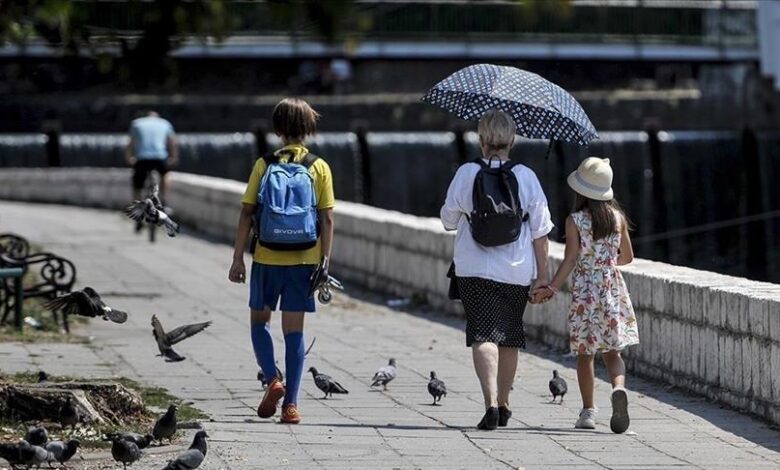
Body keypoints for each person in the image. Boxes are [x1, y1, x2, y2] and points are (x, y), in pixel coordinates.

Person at [440, 109, 554, 430]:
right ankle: (504, 403)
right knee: (509, 337)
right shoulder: (527, 177)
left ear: (481, 138)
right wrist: (543, 277)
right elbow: (541, 232)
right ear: (512, 140)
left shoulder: (466, 173)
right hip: (516, 270)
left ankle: (489, 402)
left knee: (482, 333)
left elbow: (448, 221)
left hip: (472, 267)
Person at [228, 98, 335, 425]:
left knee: (260, 322)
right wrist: (325, 264)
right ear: (309, 129)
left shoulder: (264, 164)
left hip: (267, 257)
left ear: (277, 130)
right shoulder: (318, 166)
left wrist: (237, 258)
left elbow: (247, 212)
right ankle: (291, 405)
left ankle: (272, 378)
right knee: (294, 331)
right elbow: (327, 220)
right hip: (303, 260)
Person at [536, 157, 639, 434]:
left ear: (580, 190)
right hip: (611, 290)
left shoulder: (575, 221)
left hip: (585, 294)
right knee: (613, 352)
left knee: (586, 353)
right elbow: (627, 257)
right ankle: (618, 388)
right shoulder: (617, 218)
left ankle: (588, 411)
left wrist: (552, 286)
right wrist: (606, 266)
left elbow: (570, 260)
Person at [126, 110, 178, 203]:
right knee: (165, 175)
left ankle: (136, 203)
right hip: (160, 157)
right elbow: (172, 142)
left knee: (137, 181)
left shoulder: (137, 123)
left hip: (142, 158)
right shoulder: (165, 123)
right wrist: (174, 158)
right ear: (157, 117)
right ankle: (164, 200)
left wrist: (129, 158)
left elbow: (130, 143)